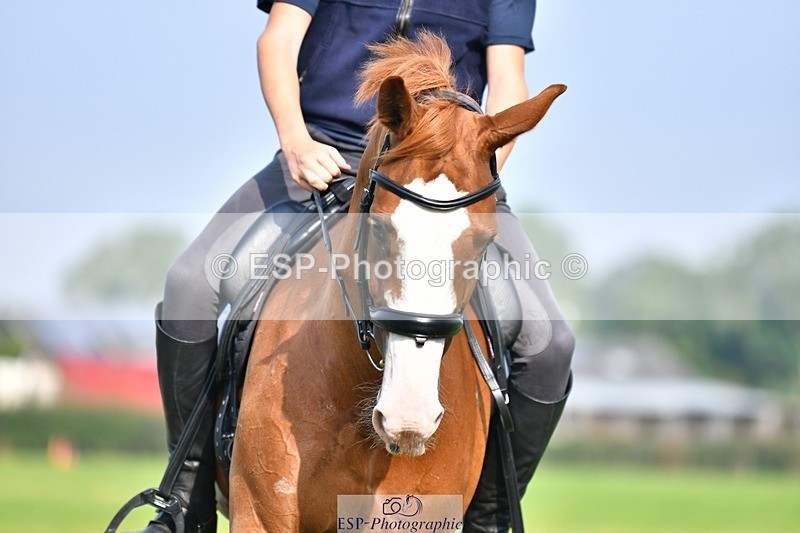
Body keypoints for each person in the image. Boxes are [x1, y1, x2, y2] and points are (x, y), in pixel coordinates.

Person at [135, 1, 574, 532]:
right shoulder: (308, 147)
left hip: (452, 166)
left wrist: (469, 166)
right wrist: (296, 143)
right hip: (322, 158)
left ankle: (490, 518)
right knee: (189, 284)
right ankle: (185, 501)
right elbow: (277, 41)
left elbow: (507, 80)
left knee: (550, 345)